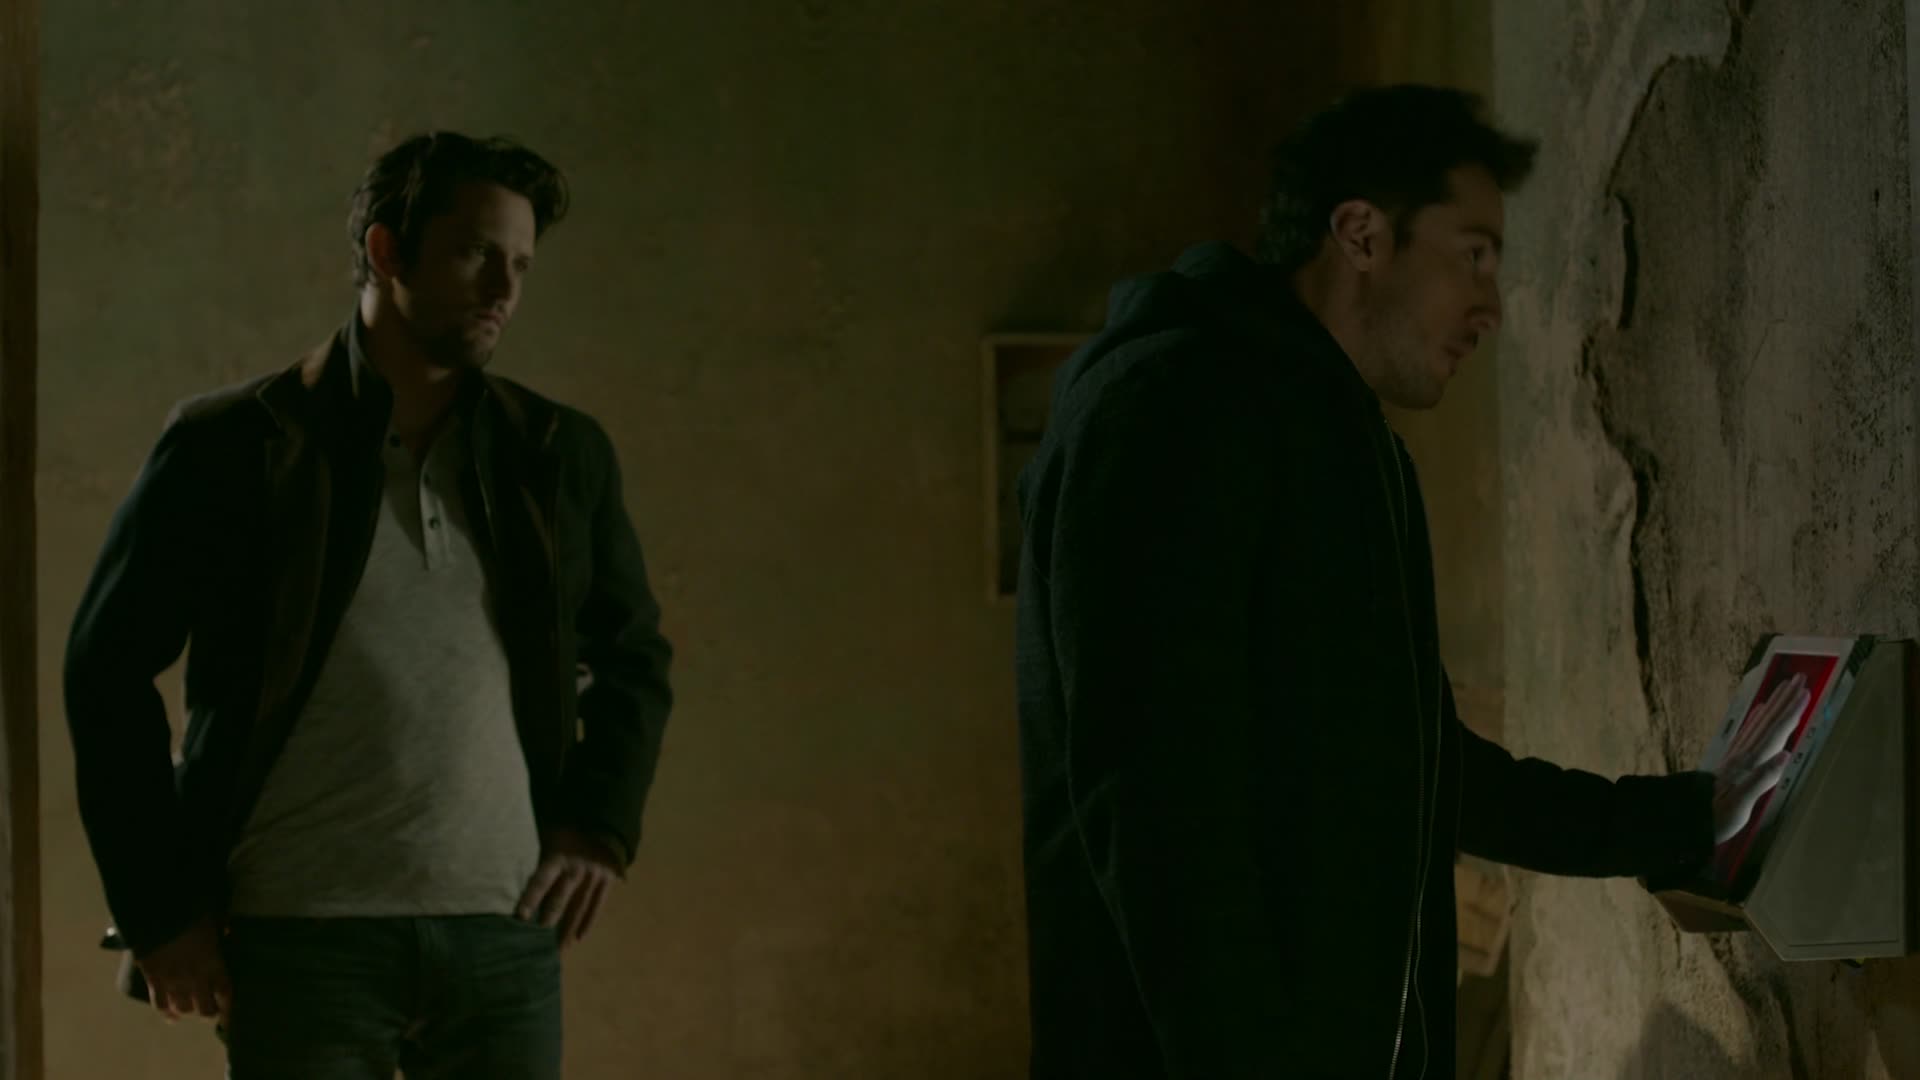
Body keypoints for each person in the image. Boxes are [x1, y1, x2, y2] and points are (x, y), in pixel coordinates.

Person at [1012, 85, 1802, 1079]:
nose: (1492, 305)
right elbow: (1155, 803)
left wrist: (1685, 819)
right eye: (1473, 254)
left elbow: (1421, 766)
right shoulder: (1171, 404)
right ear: (1361, 234)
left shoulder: (1346, 449)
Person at [64, 132, 674, 1079]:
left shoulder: (556, 453)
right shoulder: (238, 445)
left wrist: (598, 827)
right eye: (476, 253)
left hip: (503, 929)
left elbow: (632, 658)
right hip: (298, 934)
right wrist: (160, 912)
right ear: (388, 251)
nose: (504, 289)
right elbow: (106, 674)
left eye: (520, 265)